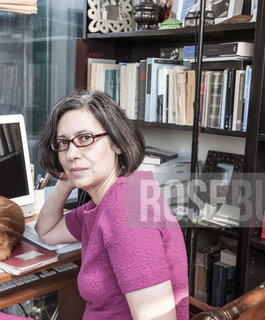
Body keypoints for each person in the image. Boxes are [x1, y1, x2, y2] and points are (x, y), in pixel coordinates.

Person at [36, 90, 188, 319]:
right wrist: (66, 179)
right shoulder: (107, 202)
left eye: (85, 138)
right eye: (63, 143)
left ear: (117, 143)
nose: (72, 154)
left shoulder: (126, 209)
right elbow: (46, 231)